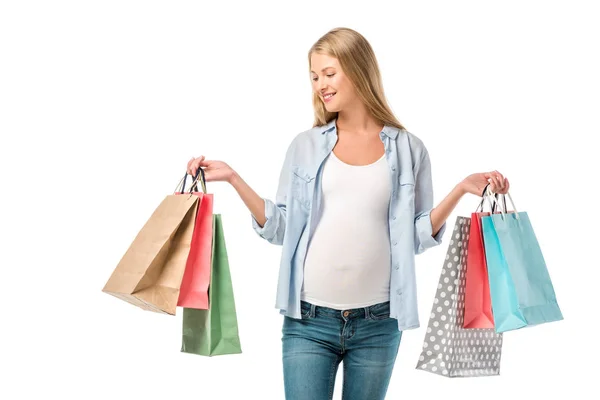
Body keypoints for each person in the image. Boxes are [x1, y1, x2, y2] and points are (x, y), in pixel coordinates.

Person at [187, 27, 509, 400]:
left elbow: (417, 236)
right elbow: (281, 228)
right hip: (307, 320)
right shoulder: (305, 146)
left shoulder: (408, 149)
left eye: (329, 73)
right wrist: (232, 178)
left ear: (357, 69)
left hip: (379, 323)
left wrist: (460, 190)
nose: (320, 84)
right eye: (314, 76)